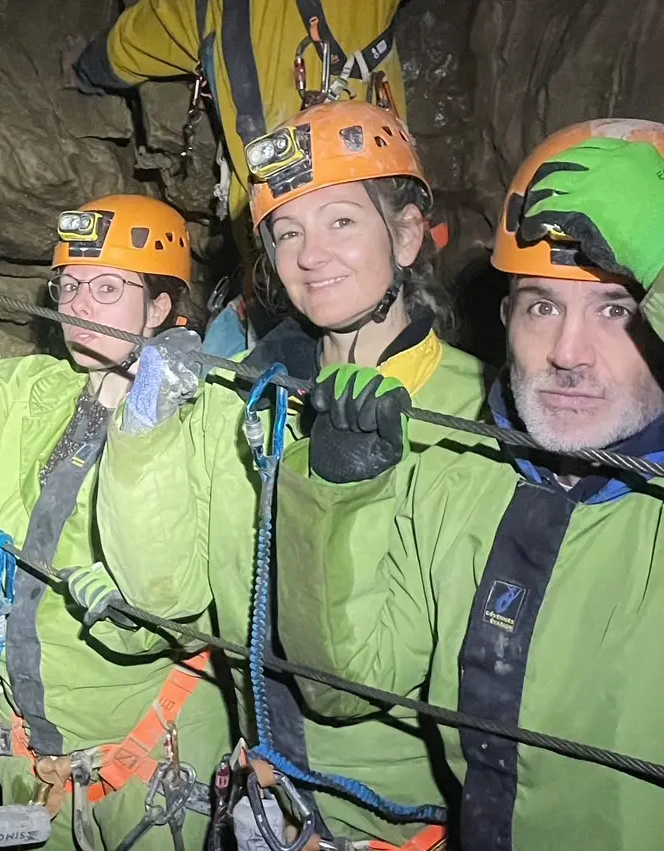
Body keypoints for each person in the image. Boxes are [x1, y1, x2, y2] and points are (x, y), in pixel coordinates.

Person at [278, 119, 664, 849]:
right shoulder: (465, 478)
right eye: (542, 306)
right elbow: (344, 686)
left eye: (617, 310)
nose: (567, 354)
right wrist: (339, 497)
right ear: (506, 317)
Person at [94, 98, 486, 848]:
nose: (311, 255)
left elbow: (358, 688)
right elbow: (169, 598)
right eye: (287, 232)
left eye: (342, 220)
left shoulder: (471, 417)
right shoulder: (243, 395)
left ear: (404, 234)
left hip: (398, 823)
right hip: (268, 800)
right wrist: (142, 437)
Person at [0, 195, 233, 850]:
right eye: (71, 285)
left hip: (151, 752)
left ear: (161, 306)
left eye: (109, 287)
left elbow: (168, 607)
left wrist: (148, 425)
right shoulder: (32, 388)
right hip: (32, 747)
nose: (79, 305)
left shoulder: (212, 425)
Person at [72, 0, 413, 355]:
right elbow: (134, 42)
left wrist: (87, 69)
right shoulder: (201, 8)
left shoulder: (204, 8)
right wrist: (93, 67)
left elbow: (128, 44)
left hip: (356, 244)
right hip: (279, 255)